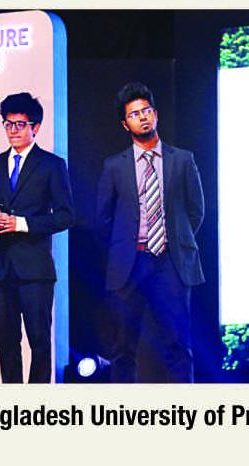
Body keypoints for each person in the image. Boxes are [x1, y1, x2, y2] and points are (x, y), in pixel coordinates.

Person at [96, 82, 205, 383]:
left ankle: (183, 408)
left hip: (171, 262)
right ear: (125, 124)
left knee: (178, 344)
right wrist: (125, 247)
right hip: (130, 264)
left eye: (146, 111)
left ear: (155, 114)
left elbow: (196, 211)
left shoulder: (182, 160)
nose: (142, 117)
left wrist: (176, 240)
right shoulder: (114, 167)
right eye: (134, 114)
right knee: (123, 346)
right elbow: (104, 218)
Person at [0, 92, 74, 384]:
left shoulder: (51, 165)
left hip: (34, 269)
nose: (13, 131)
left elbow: (65, 216)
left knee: (39, 343)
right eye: (8, 124)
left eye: (20, 124)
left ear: (36, 127)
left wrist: (19, 223)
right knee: (6, 344)